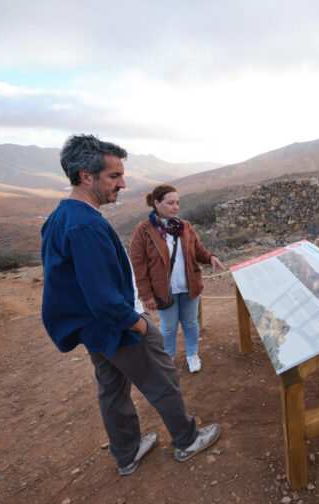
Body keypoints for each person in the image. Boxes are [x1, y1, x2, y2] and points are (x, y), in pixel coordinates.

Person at [40, 134, 220, 476]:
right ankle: (186, 439)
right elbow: (104, 298)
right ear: (85, 176)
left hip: (92, 329)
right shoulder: (85, 225)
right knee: (162, 377)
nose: (122, 183)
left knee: (112, 388)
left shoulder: (61, 216)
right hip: (115, 325)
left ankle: (127, 453)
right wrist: (139, 324)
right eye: (113, 176)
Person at [130, 184, 224, 373]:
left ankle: (192, 355)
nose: (176, 207)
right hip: (163, 289)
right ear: (156, 203)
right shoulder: (143, 230)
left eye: (178, 203)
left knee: (190, 323)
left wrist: (210, 257)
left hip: (189, 285)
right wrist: (146, 295)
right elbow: (138, 266)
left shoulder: (185, 226)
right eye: (170, 203)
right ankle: (168, 358)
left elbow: (198, 249)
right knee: (168, 327)